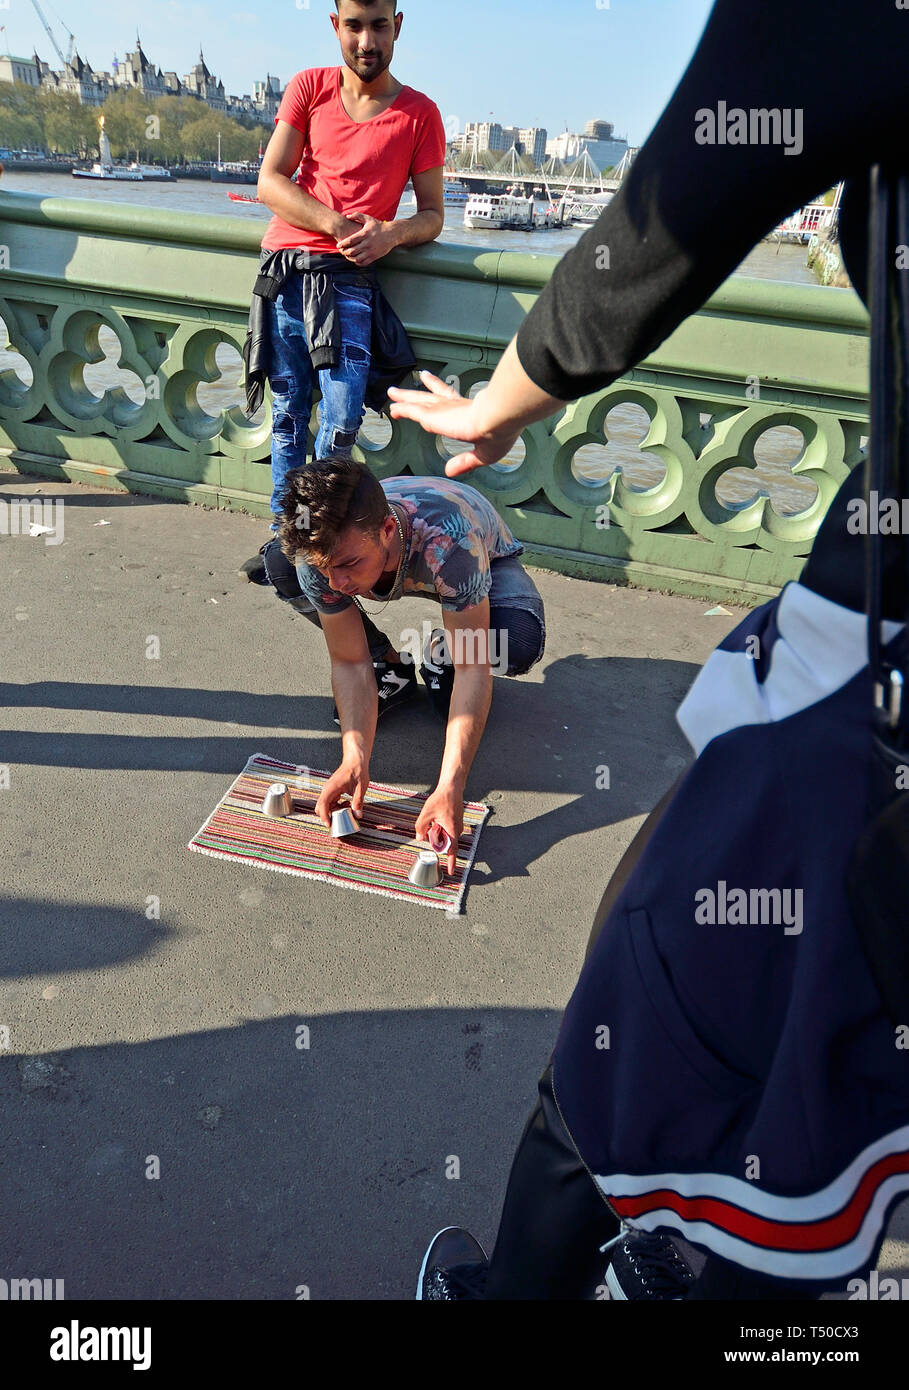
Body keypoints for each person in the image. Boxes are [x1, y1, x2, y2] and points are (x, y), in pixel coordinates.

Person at [387, 0, 909, 1300]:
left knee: (654, 1027)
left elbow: (690, 193)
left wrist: (507, 395)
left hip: (884, 679)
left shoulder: (441, 538)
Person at [239, 0, 446, 580]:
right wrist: (335, 223)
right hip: (285, 272)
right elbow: (269, 181)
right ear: (336, 26)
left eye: (379, 25)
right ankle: (287, 543)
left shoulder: (420, 114)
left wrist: (391, 234)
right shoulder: (308, 88)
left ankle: (319, 542)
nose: (366, 40)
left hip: (351, 283)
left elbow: (433, 215)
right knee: (286, 417)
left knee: (340, 421)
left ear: (397, 27)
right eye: (353, 25)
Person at [265, 457, 546, 866]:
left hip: (473, 554)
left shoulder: (452, 547)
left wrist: (451, 786)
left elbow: (474, 669)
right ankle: (391, 664)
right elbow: (348, 662)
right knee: (279, 563)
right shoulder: (321, 560)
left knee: (515, 641)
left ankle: (441, 651)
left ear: (387, 530)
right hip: (408, 554)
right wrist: (354, 759)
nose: (337, 585)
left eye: (348, 565)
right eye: (326, 569)